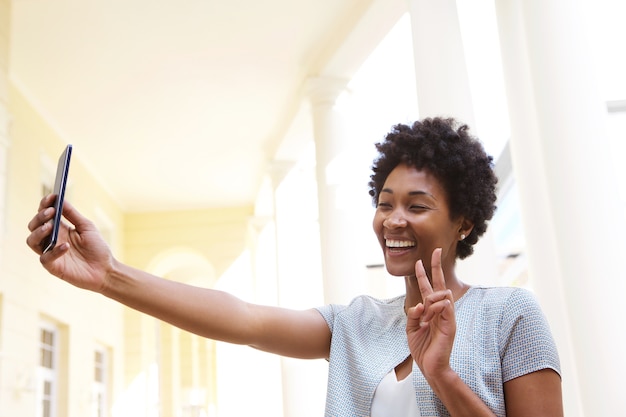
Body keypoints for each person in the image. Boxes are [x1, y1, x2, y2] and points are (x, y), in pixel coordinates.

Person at [26, 117, 563, 416]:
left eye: (417, 206)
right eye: (384, 202)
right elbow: (244, 320)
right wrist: (110, 276)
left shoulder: (509, 315)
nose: (393, 219)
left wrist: (443, 375)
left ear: (463, 221)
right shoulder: (357, 324)